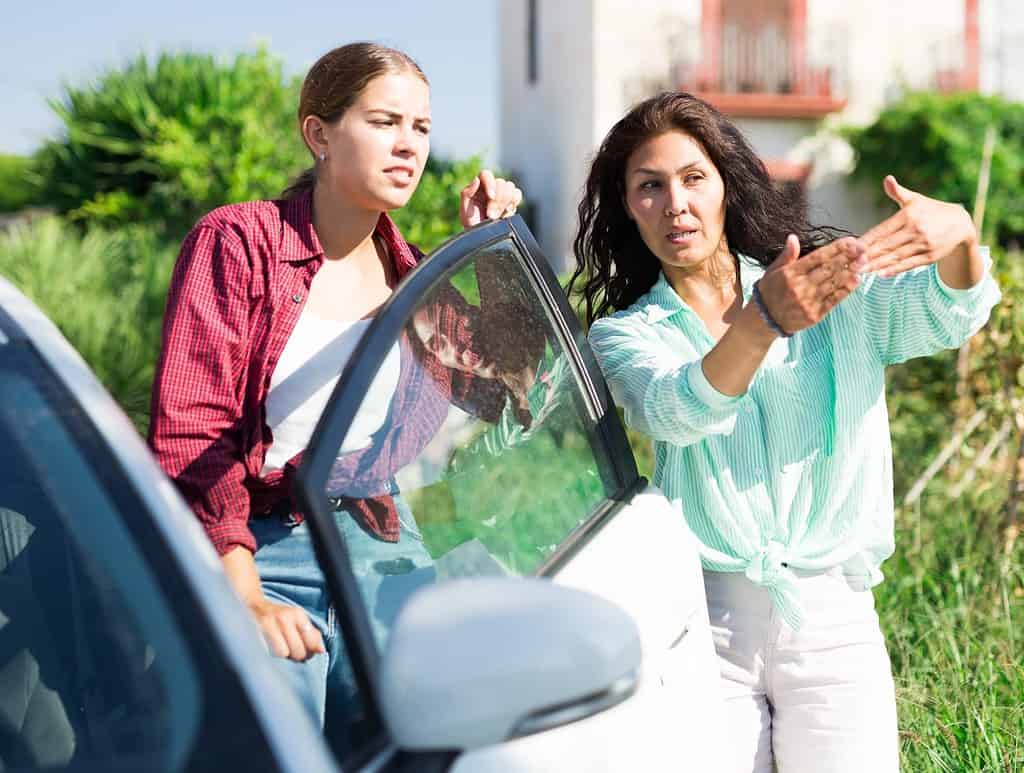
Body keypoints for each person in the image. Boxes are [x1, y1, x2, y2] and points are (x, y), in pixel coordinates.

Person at [571, 91, 1000, 773]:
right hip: (706, 621)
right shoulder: (626, 333)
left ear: (725, 186)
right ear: (628, 205)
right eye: (649, 186)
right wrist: (762, 322)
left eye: (692, 178)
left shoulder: (826, 289)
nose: (675, 204)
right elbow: (678, 409)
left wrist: (962, 239)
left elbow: (949, 313)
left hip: (833, 611)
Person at [147, 42, 526, 739]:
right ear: (318, 134)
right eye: (385, 122)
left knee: (424, 731)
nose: (408, 146)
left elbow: (513, 387)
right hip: (256, 540)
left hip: (378, 536)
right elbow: (191, 432)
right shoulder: (238, 243)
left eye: (420, 128)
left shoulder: (418, 281)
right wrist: (247, 598)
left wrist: (493, 246)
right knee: (277, 729)